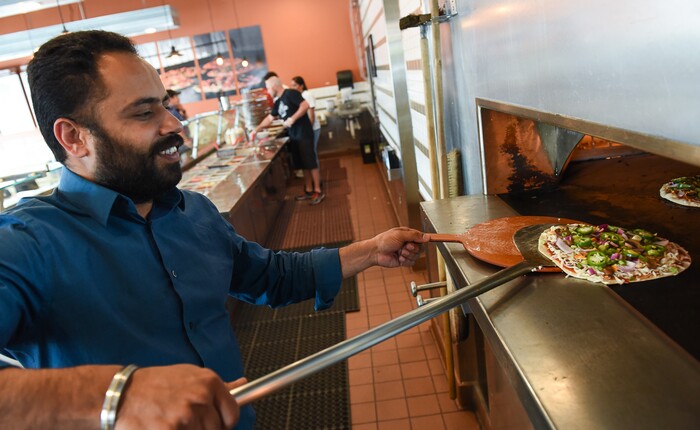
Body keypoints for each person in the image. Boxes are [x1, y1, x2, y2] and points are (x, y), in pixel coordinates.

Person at [0, 30, 427, 430]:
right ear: (74, 137)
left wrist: (370, 250)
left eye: (165, 105)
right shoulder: (25, 243)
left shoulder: (193, 211)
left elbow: (270, 275)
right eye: (145, 113)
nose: (174, 124)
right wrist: (118, 396)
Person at [252, 76, 324, 205]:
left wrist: (292, 118)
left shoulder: (290, 93)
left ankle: (318, 190)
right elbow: (270, 118)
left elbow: (305, 105)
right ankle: (309, 190)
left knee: (311, 162)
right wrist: (256, 129)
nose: (268, 91)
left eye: (268, 88)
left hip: (304, 133)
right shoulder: (279, 101)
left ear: (274, 86)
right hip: (294, 135)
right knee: (303, 164)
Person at [290, 76, 322, 168]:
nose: (292, 88)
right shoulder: (298, 96)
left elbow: (311, 116)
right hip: (307, 129)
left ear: (301, 86)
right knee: (309, 153)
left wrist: (309, 130)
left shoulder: (307, 95)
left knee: (312, 152)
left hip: (313, 128)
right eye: (291, 85)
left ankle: (317, 175)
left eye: (295, 85)